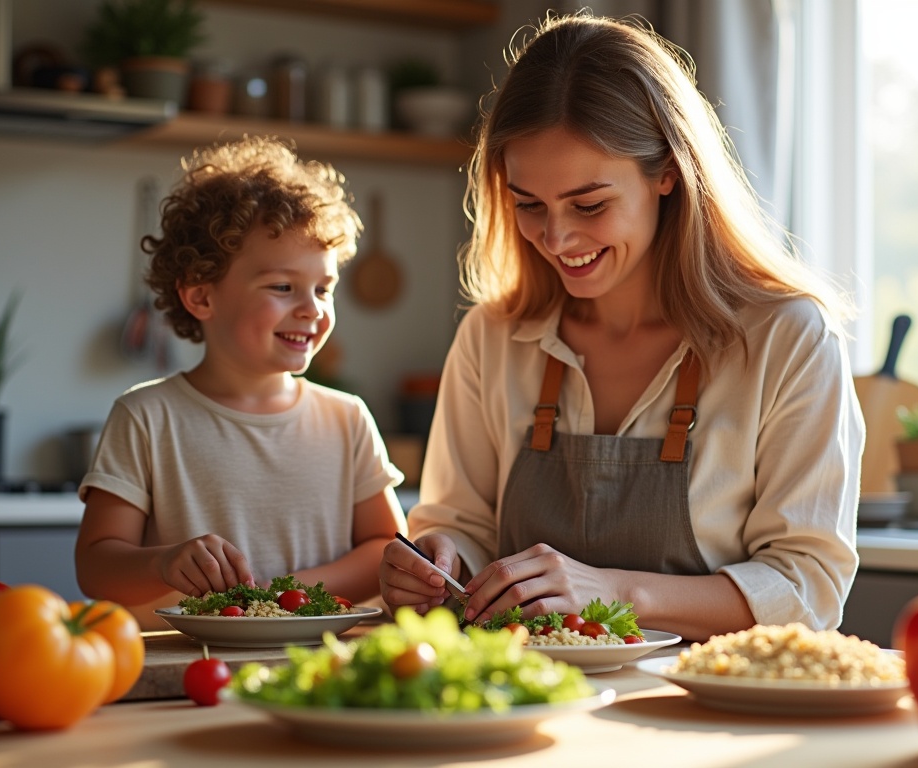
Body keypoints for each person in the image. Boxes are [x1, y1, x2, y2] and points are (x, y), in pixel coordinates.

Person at [378, 12, 863, 640]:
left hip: (706, 710)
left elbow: (807, 588)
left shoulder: (788, 338)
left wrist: (609, 591)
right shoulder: (492, 337)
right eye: (529, 204)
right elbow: (462, 525)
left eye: (589, 204)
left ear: (667, 172)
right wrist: (438, 558)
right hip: (523, 703)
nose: (556, 238)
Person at [75, 135, 407, 627]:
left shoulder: (347, 418)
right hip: (190, 664)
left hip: (320, 660)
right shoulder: (146, 417)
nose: (312, 309)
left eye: (323, 288)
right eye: (282, 287)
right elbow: (97, 565)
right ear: (201, 297)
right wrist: (164, 562)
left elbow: (388, 549)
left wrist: (286, 594)